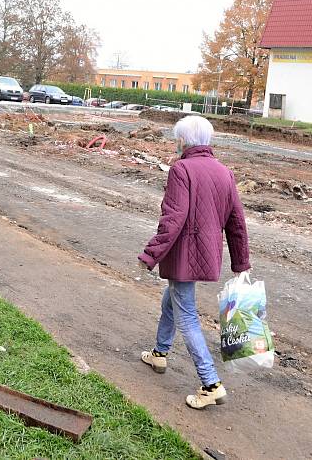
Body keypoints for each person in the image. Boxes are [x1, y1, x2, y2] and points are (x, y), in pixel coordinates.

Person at [138, 115, 250, 410]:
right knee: (171, 301)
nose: (176, 143)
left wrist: (150, 255)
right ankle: (159, 353)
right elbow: (237, 223)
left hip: (184, 253)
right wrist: (241, 263)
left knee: (186, 315)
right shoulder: (225, 172)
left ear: (184, 141)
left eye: (177, 138)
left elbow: (172, 219)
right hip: (207, 254)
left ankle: (210, 383)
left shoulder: (181, 169)